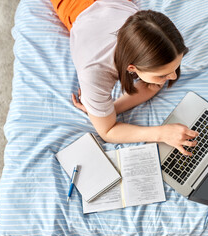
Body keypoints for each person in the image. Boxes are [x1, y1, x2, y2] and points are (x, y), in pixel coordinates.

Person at [51, 0, 198, 155]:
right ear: (131, 68)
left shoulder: (146, 25)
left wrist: (104, 111)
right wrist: (161, 133)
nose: (173, 76)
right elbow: (107, 131)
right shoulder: (94, 73)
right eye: (162, 75)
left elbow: (152, 86)